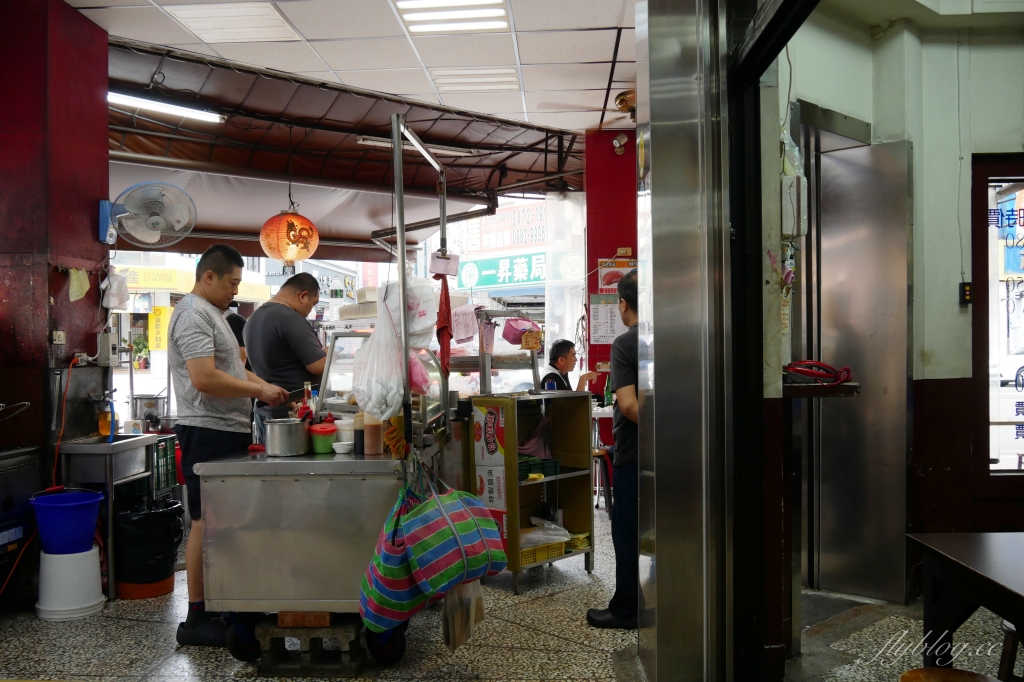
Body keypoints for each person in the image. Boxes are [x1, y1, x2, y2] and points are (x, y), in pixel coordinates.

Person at [169, 245, 288, 647]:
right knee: (204, 520)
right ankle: (197, 617)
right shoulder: (192, 314)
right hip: (206, 430)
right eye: (232, 282)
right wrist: (258, 387)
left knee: (224, 520)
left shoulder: (215, 315)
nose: (235, 290)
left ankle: (221, 602)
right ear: (209, 277)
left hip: (227, 427)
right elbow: (204, 378)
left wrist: (263, 385)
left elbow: (230, 369)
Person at [587, 270, 643, 630]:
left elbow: (628, 406)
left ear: (622, 304)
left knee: (626, 533)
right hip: (679, 455)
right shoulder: (676, 338)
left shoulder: (626, 343)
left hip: (635, 456)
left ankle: (625, 608)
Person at [243, 272, 327, 442]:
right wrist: (331, 352)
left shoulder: (253, 319)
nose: (310, 310)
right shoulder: (290, 317)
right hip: (292, 415)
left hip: (264, 411)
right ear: (303, 296)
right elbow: (317, 365)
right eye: (313, 303)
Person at [224, 301, 248, 366]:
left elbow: (242, 355)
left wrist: (237, 375)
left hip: (244, 372)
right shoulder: (230, 319)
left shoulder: (232, 320)